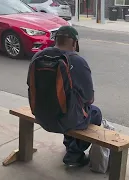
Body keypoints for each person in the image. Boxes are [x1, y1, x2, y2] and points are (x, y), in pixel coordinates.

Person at [29, 26, 102, 167]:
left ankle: (70, 145)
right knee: (95, 112)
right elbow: (89, 98)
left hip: (40, 115)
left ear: (56, 40)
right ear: (74, 43)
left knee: (71, 109)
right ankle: (74, 154)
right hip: (64, 120)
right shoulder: (77, 61)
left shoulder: (37, 56)